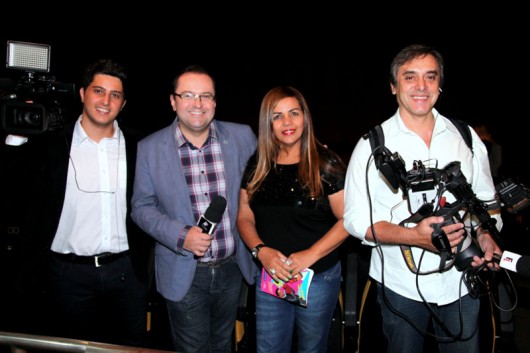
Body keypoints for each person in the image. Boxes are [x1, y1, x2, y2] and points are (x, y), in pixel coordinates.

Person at [343, 44, 503, 353]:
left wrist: (485, 234)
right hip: (401, 286)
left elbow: (486, 201)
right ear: (393, 86)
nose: (421, 87)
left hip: (462, 282)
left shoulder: (466, 137)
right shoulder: (372, 145)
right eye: (410, 77)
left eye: (430, 77)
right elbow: (354, 220)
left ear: (440, 84)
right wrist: (412, 237)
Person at [5, 59, 154, 346]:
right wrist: (15, 136)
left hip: (126, 275)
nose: (106, 100)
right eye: (99, 91)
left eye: (115, 94)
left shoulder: (141, 147)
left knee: (127, 351)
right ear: (83, 93)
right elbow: (12, 189)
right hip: (66, 277)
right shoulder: (50, 145)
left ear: (123, 104)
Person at [131, 64, 258, 353]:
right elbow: (141, 207)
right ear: (173, 101)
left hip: (232, 269)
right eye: (188, 95)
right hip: (183, 271)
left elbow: (266, 181)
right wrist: (181, 235)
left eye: (205, 96)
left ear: (214, 101)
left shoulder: (242, 138)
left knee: (224, 344)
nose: (197, 104)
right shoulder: (150, 148)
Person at [237, 86, 349, 353]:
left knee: (312, 349)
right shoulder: (258, 165)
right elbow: (244, 216)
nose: (287, 122)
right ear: (268, 124)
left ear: (305, 118)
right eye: (277, 116)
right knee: (268, 349)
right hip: (271, 275)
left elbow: (348, 220)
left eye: (294, 113)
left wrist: (309, 255)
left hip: (317, 277)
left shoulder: (327, 164)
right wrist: (260, 252)